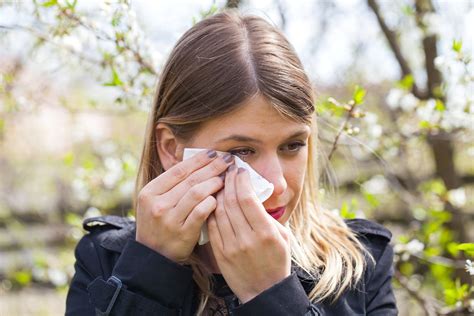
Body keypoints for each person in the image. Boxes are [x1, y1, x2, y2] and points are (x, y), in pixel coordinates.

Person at [65, 9, 398, 316]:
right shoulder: (107, 261)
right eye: (242, 151)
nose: (278, 184)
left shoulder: (360, 265)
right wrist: (151, 272)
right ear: (170, 148)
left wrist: (272, 294)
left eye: (292, 145)